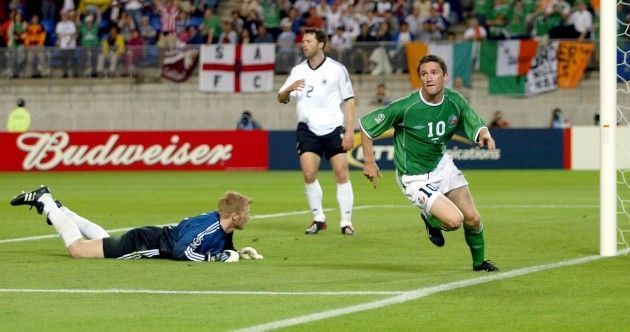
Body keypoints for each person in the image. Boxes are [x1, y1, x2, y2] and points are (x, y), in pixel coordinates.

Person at [360, 54, 499, 272]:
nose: (429, 78)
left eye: (434, 73)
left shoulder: (455, 100)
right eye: (424, 74)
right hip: (414, 177)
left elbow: (473, 119)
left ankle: (479, 264)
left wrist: (484, 133)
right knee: (454, 221)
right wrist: (369, 162)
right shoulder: (406, 107)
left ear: (445, 76)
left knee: (472, 218)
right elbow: (367, 128)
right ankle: (430, 219)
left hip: (442, 166)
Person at [10, 186, 263, 262]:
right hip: (144, 243)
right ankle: (47, 202)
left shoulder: (220, 225)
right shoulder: (210, 227)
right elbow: (181, 252)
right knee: (78, 250)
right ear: (234, 216)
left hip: (148, 236)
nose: (249, 216)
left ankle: (62, 210)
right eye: (246, 212)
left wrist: (238, 253)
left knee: (103, 240)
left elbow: (218, 246)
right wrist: (217, 259)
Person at [277, 28, 357, 236]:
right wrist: (287, 90)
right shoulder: (298, 71)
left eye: (309, 41)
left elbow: (349, 101)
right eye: (303, 41)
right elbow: (282, 98)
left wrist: (349, 131)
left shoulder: (337, 69)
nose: (304, 45)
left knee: (341, 173)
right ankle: (318, 218)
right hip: (307, 130)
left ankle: (346, 221)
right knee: (309, 174)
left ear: (321, 44)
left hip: (333, 128)